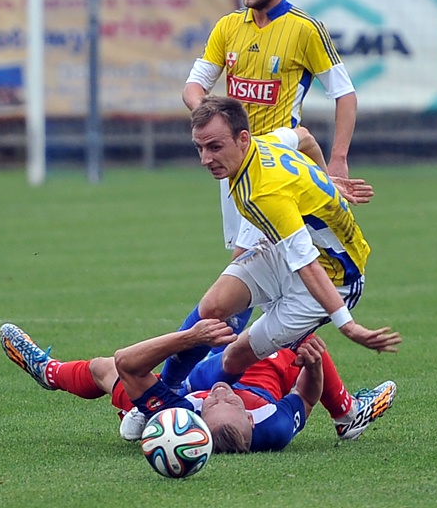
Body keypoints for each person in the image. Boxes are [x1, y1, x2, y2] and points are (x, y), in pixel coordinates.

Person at [160, 96, 401, 394]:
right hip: (293, 255)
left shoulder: (263, 194)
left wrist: (347, 325)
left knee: (236, 355)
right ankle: (164, 390)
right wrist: (324, 180)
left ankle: (175, 398)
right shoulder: (266, 142)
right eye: (200, 148)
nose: (205, 160)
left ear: (243, 139)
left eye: (215, 147)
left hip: (335, 279)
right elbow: (305, 137)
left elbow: (308, 265)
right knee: (212, 307)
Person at [183, 0, 361, 258]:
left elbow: (345, 94)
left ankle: (222, 311)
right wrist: (213, 120)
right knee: (265, 270)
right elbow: (193, 87)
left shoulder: (305, 29)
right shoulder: (228, 26)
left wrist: (339, 159)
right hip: (235, 162)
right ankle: (331, 307)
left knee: (245, 262)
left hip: (274, 160)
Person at [0, 321, 396, 453]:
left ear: (198, 417)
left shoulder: (180, 415)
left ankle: (48, 371)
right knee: (301, 334)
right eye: (231, 401)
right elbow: (306, 396)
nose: (224, 392)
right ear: (249, 418)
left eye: (215, 402)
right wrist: (312, 366)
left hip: (182, 388)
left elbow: (127, 361)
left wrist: (190, 337)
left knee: (106, 371)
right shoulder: (272, 429)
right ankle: (346, 412)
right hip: (263, 379)